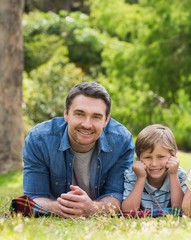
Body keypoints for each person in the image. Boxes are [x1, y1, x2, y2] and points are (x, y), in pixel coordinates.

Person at [22, 82, 135, 218]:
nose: (87, 124)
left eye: (96, 116)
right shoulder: (39, 139)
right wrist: (61, 208)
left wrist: (92, 208)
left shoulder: (122, 141)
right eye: (79, 114)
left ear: (106, 120)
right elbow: (33, 197)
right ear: (66, 114)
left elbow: (117, 196)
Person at [121, 124, 187, 212]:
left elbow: (180, 209)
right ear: (138, 158)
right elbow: (128, 211)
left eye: (161, 157)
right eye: (148, 157)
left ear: (173, 156)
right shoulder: (132, 176)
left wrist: (173, 175)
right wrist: (141, 178)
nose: (154, 163)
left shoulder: (179, 175)